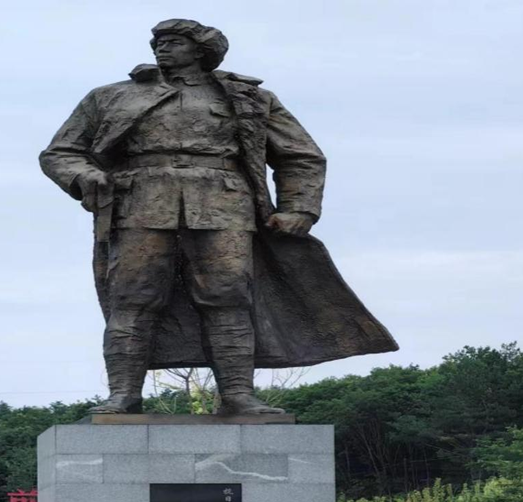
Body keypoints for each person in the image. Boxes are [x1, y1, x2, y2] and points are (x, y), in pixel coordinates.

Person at [40, 19, 398, 415]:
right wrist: (85, 175)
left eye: (174, 42)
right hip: (139, 203)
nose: (161, 48)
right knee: (132, 297)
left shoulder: (250, 98)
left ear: (202, 50)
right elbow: (61, 152)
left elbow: (300, 156)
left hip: (224, 204)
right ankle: (123, 395)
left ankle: (238, 396)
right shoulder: (112, 96)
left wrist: (299, 207)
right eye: (158, 42)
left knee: (228, 297)